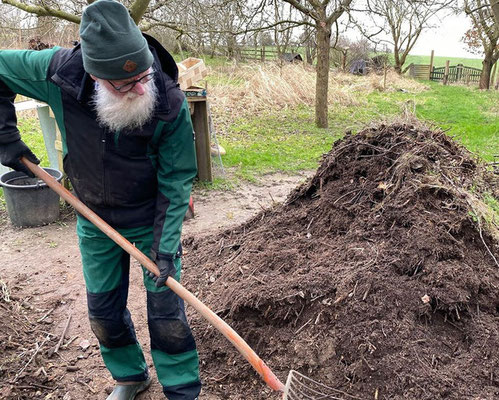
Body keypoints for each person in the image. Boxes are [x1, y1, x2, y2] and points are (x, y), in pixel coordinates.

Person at [0, 1, 201, 399]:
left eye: (143, 76)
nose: (140, 89)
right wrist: (5, 134)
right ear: (94, 76)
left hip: (150, 219)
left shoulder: (168, 102)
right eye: (124, 85)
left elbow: (177, 178)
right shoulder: (59, 75)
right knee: (104, 311)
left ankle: (181, 387)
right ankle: (129, 376)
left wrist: (164, 248)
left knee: (166, 311)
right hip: (93, 216)